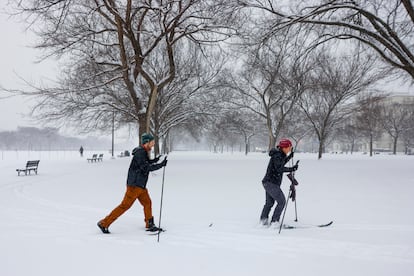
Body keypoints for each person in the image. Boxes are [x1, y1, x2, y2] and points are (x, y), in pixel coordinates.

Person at [97, 133, 167, 234]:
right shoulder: (140, 153)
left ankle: (150, 224)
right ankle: (104, 223)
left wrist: (157, 160)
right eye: (152, 142)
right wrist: (160, 165)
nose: (153, 144)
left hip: (141, 186)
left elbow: (147, 163)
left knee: (147, 203)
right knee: (124, 206)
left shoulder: (143, 152)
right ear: (146, 142)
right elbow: (146, 168)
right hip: (134, 186)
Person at [260, 138, 298, 228]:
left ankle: (263, 220)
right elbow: (279, 169)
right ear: (284, 147)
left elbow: (280, 164)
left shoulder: (279, 154)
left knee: (269, 203)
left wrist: (289, 157)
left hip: (268, 182)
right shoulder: (278, 155)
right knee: (281, 201)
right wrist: (291, 168)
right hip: (271, 183)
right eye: (289, 147)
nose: (290, 148)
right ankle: (274, 222)